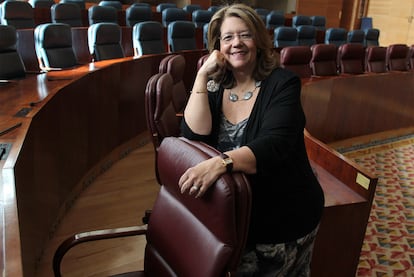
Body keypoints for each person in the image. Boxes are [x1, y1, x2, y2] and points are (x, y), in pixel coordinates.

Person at [178, 3, 325, 276]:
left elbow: (275, 144)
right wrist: (200, 77)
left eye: (244, 34)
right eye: (228, 37)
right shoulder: (215, 84)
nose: (237, 43)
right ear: (217, 46)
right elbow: (192, 138)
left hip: (284, 217)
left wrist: (221, 163)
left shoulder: (282, 83)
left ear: (258, 39)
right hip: (235, 217)